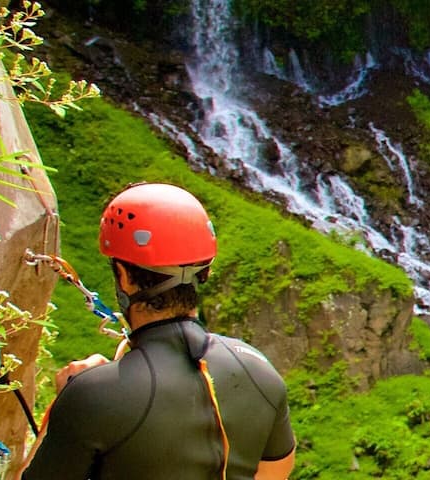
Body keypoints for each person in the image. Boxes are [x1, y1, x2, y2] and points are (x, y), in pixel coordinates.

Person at [22, 183, 295, 479]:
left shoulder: (92, 395)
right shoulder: (261, 372)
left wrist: (65, 404)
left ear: (124, 277)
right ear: (206, 270)